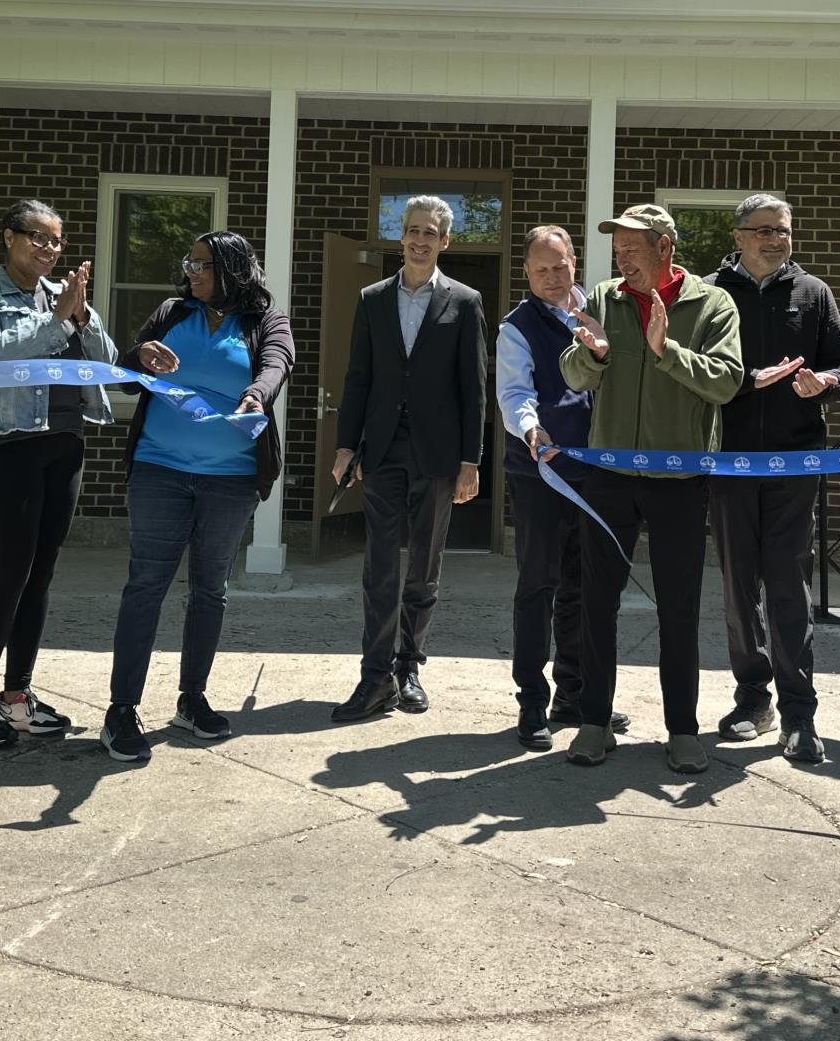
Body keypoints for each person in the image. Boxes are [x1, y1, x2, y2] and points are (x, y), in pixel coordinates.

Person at [556, 204, 745, 773]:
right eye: (617, 249)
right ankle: (594, 722)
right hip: (610, 476)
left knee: (679, 608)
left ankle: (682, 730)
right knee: (597, 602)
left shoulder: (713, 304)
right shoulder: (604, 297)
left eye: (632, 248)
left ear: (665, 247)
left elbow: (727, 382)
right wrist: (594, 353)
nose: (621, 258)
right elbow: (572, 374)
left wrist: (666, 351)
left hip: (680, 481)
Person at [101, 231, 295, 762]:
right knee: (146, 585)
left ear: (232, 269)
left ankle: (192, 698)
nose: (192, 272)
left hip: (231, 479)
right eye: (189, 263)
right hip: (159, 470)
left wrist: (256, 395)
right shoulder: (172, 312)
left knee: (210, 590)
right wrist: (139, 355)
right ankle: (122, 709)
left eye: (203, 264)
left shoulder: (265, 321)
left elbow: (276, 364)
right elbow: (125, 377)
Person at [0, 200, 117, 748]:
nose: (49, 248)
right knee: (9, 571)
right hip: (2, 445)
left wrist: (82, 317)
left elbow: (107, 361)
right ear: (9, 237)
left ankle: (17, 696)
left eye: (56, 241)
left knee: (40, 572)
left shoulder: (63, 297)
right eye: (38, 237)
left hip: (63, 443)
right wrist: (57, 320)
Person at [706, 194, 840, 764]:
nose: (777, 240)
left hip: (796, 462)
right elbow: (696, 374)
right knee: (739, 586)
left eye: (784, 231)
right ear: (739, 235)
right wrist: (748, 381)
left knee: (788, 584)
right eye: (765, 230)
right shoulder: (711, 293)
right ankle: (753, 700)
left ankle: (800, 714)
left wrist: (825, 383)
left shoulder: (813, 293)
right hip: (729, 462)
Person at [329, 195, 487, 723]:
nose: (420, 240)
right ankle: (375, 677)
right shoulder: (372, 298)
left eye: (430, 233)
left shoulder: (465, 301)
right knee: (380, 566)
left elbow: (473, 389)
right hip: (382, 451)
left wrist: (470, 461)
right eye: (413, 230)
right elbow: (358, 377)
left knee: (424, 565)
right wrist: (346, 446)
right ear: (402, 237)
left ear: (445, 242)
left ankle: (408, 668)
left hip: (438, 456)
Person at [495, 225, 627, 750]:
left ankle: (575, 694)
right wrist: (531, 429)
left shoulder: (601, 312)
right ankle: (532, 700)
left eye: (559, 266)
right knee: (538, 586)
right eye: (541, 269)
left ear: (575, 263)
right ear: (527, 272)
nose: (551, 277)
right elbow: (514, 392)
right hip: (540, 474)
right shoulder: (516, 326)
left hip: (597, 474)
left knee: (585, 587)